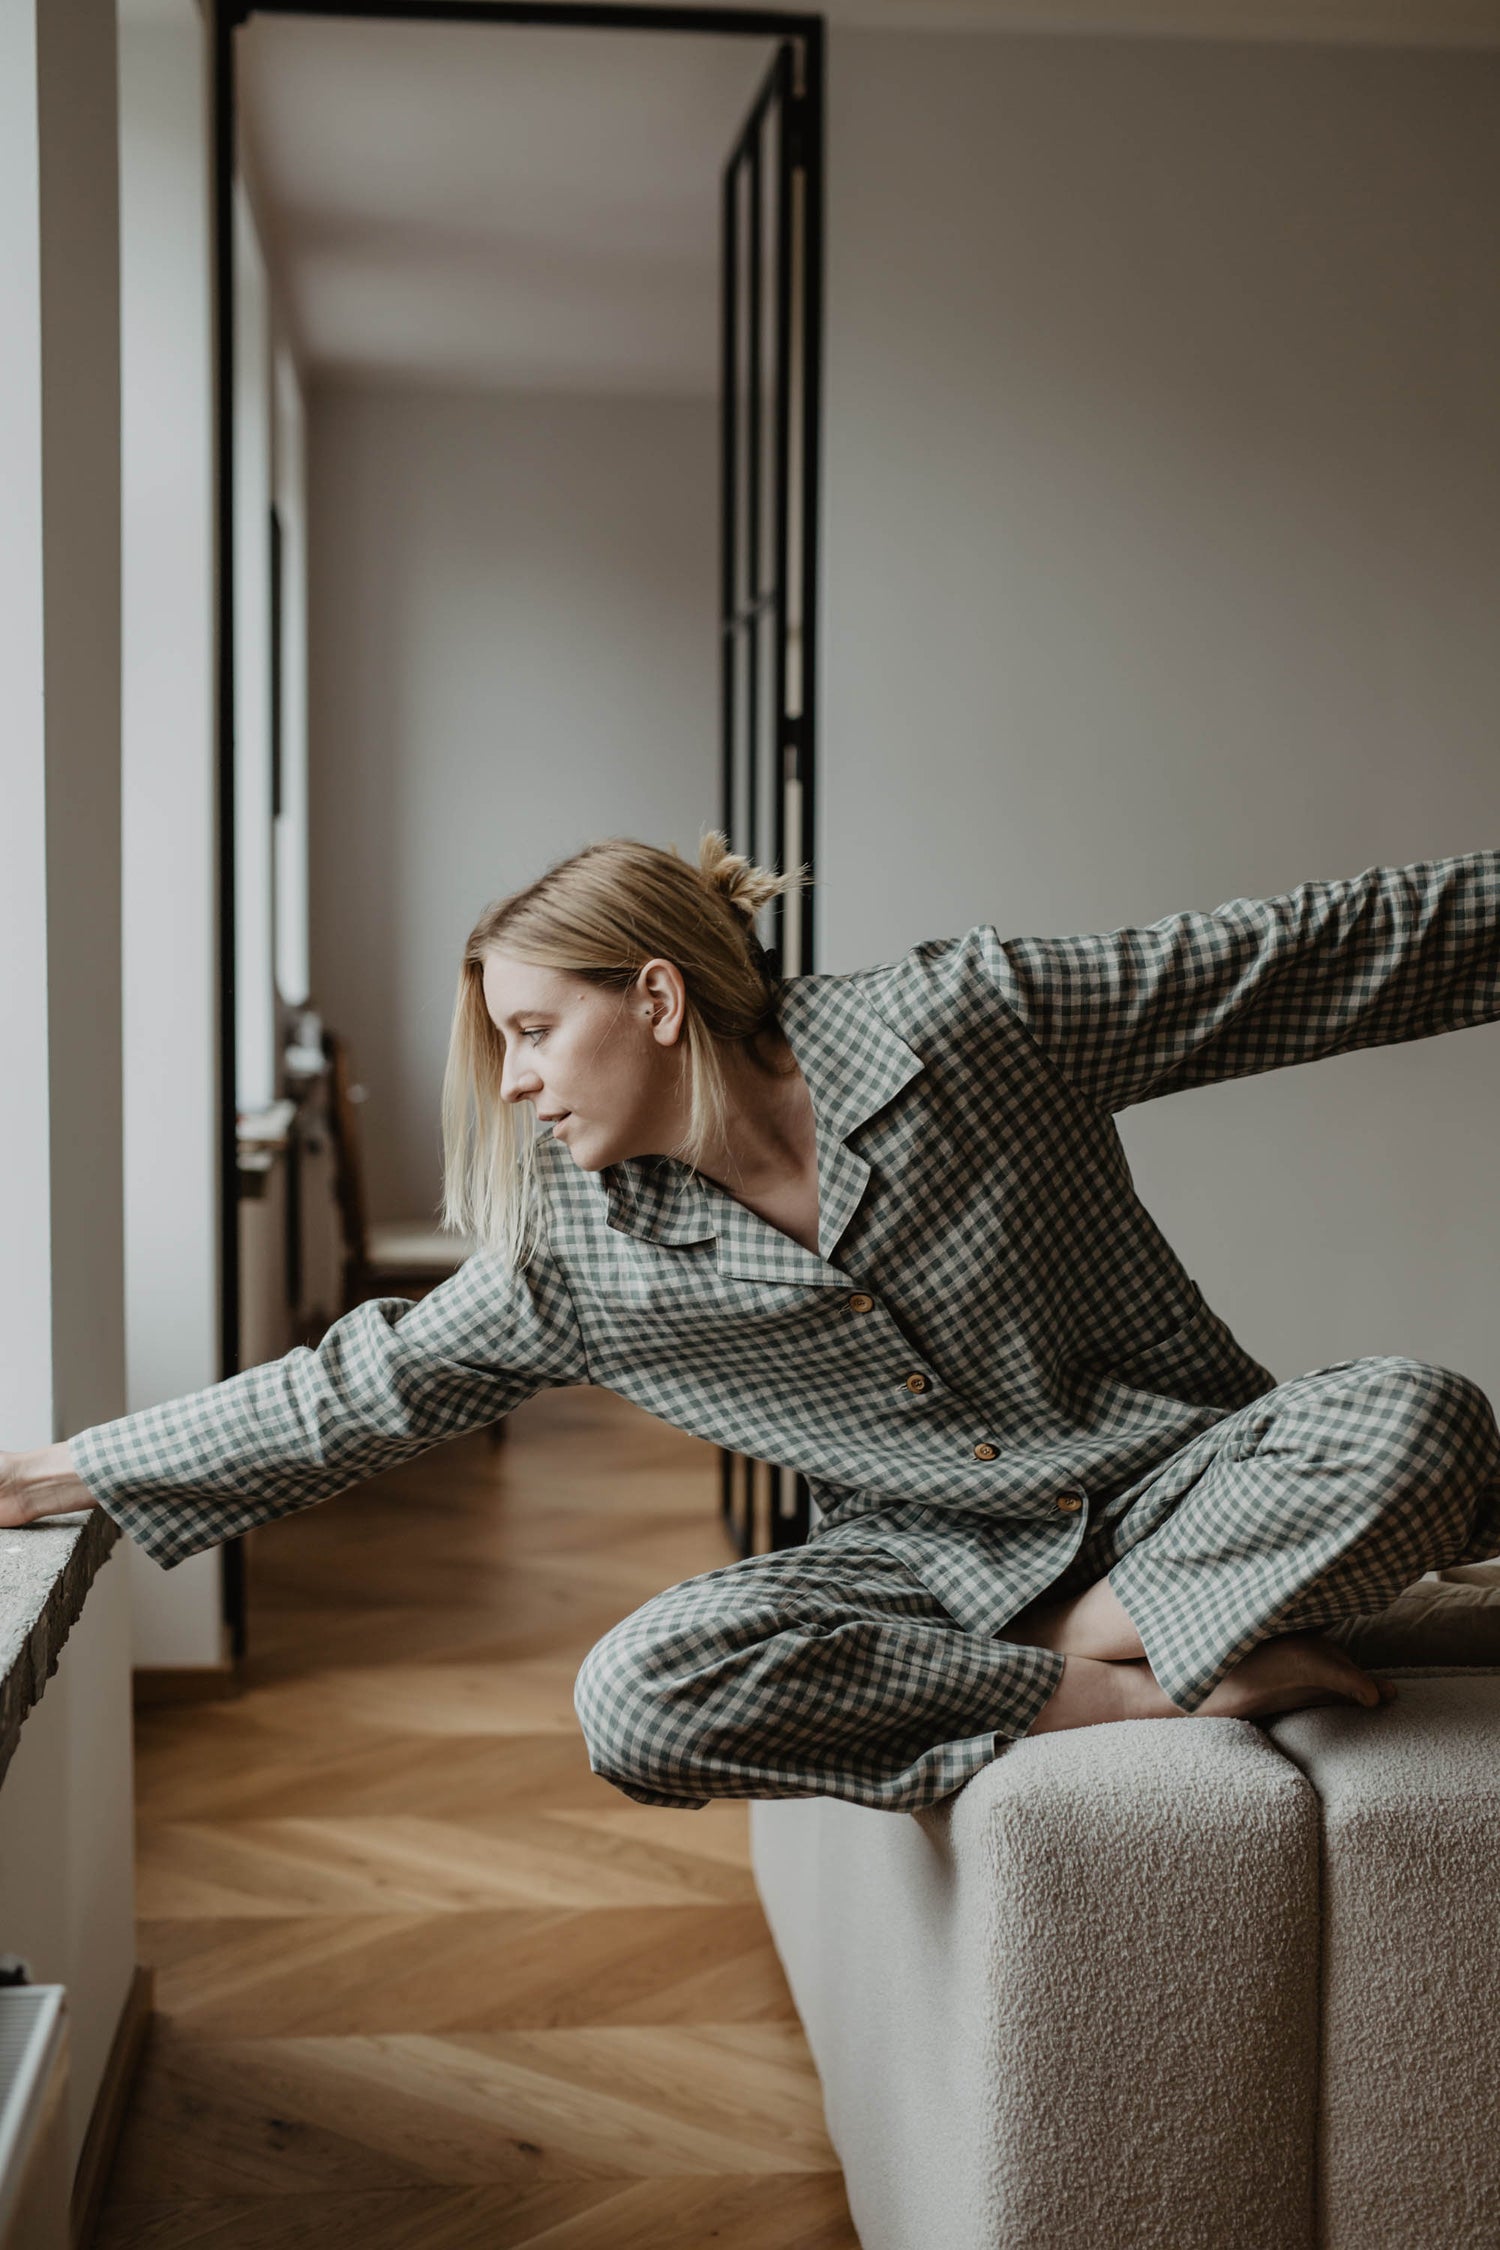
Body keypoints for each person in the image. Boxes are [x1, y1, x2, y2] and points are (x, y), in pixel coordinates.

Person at [4, 831, 1499, 1813]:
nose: (515, 1083)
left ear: (654, 996)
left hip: (1187, 1480)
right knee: (637, 1695)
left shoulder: (972, 1025)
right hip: (922, 1567)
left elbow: (1318, 947)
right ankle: (1119, 1671)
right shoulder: (580, 1253)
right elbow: (361, 1385)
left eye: (531, 1032)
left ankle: (1106, 1634)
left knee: (1416, 1415)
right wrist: (68, 1472)